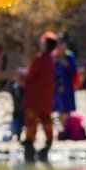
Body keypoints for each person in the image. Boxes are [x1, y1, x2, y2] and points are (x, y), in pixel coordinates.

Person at [22, 32, 57, 162]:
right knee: (46, 117)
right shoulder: (52, 60)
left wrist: (23, 80)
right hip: (47, 95)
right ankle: (49, 139)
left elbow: (30, 74)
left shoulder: (40, 58)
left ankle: (29, 141)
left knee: (31, 119)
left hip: (35, 95)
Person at [53, 37, 79, 120]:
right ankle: (62, 125)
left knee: (67, 108)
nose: (60, 46)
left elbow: (74, 71)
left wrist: (66, 64)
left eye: (62, 44)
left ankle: (67, 125)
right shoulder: (54, 56)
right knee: (59, 109)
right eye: (58, 44)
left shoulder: (70, 56)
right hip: (57, 86)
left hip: (68, 86)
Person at [7, 67, 26, 141]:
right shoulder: (15, 89)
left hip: (25, 112)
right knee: (15, 126)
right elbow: (8, 88)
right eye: (19, 80)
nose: (21, 82)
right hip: (17, 112)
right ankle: (16, 135)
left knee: (23, 126)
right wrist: (13, 80)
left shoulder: (27, 89)